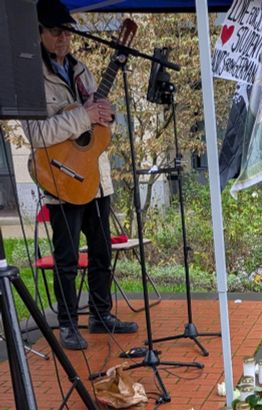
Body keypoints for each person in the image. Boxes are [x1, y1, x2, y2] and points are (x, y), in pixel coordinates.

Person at [24, 0, 137, 350]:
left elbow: (98, 118)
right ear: (39, 32)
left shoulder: (81, 70)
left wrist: (107, 115)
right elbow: (37, 134)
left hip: (96, 179)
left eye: (68, 31)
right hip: (61, 180)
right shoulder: (33, 78)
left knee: (102, 252)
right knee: (67, 259)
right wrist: (86, 117)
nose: (63, 38)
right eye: (56, 31)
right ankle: (69, 324)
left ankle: (101, 315)